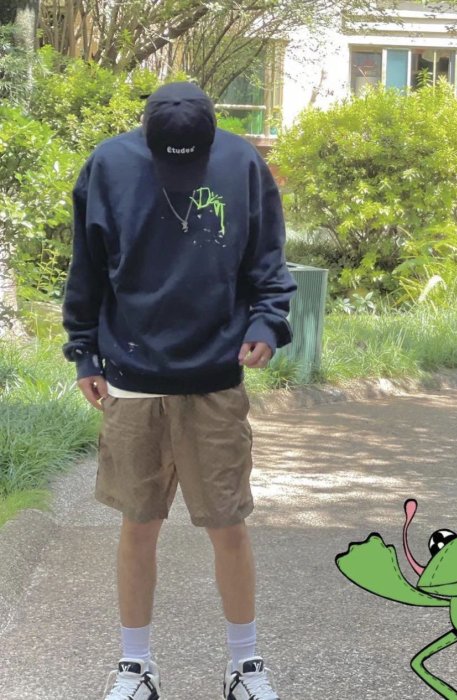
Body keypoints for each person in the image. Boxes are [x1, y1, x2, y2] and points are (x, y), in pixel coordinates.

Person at [62, 81, 296, 700]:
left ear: (214, 138)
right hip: (130, 377)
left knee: (228, 526)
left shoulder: (242, 163)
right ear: (147, 138)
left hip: (215, 378)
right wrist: (83, 349)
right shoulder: (109, 165)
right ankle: (135, 666)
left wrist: (266, 325)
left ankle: (244, 665)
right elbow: (86, 266)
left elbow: (268, 261)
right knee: (138, 525)